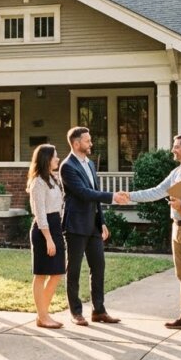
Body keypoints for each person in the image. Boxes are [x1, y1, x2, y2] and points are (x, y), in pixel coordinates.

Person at [128, 133, 181, 335]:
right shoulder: (177, 172)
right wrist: (130, 196)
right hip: (178, 226)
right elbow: (157, 191)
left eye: (176, 146)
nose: (173, 150)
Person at [60, 126, 130, 326]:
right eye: (87, 141)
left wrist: (103, 222)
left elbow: (94, 195)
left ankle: (99, 311)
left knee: (98, 267)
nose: (91, 144)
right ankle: (76, 312)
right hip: (75, 225)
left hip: (93, 225)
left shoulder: (90, 164)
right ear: (76, 143)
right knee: (73, 270)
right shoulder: (67, 166)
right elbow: (83, 193)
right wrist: (113, 197)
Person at [27, 143, 66, 329]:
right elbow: (40, 213)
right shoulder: (37, 183)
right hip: (44, 230)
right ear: (46, 159)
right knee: (41, 273)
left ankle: (43, 313)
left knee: (58, 272)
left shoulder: (53, 178)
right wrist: (48, 238)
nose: (58, 159)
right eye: (55, 156)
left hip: (56, 227)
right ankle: (42, 317)